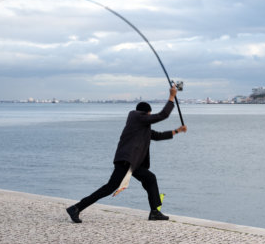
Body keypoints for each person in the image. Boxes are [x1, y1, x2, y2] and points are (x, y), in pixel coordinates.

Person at [66, 85, 186, 223]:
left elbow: (157, 135)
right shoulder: (137, 117)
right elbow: (162, 115)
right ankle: (76, 208)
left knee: (150, 178)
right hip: (126, 161)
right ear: (146, 113)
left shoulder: (140, 126)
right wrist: (171, 97)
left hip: (132, 162)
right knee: (109, 187)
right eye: (149, 115)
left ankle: (154, 212)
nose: (149, 118)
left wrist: (177, 131)